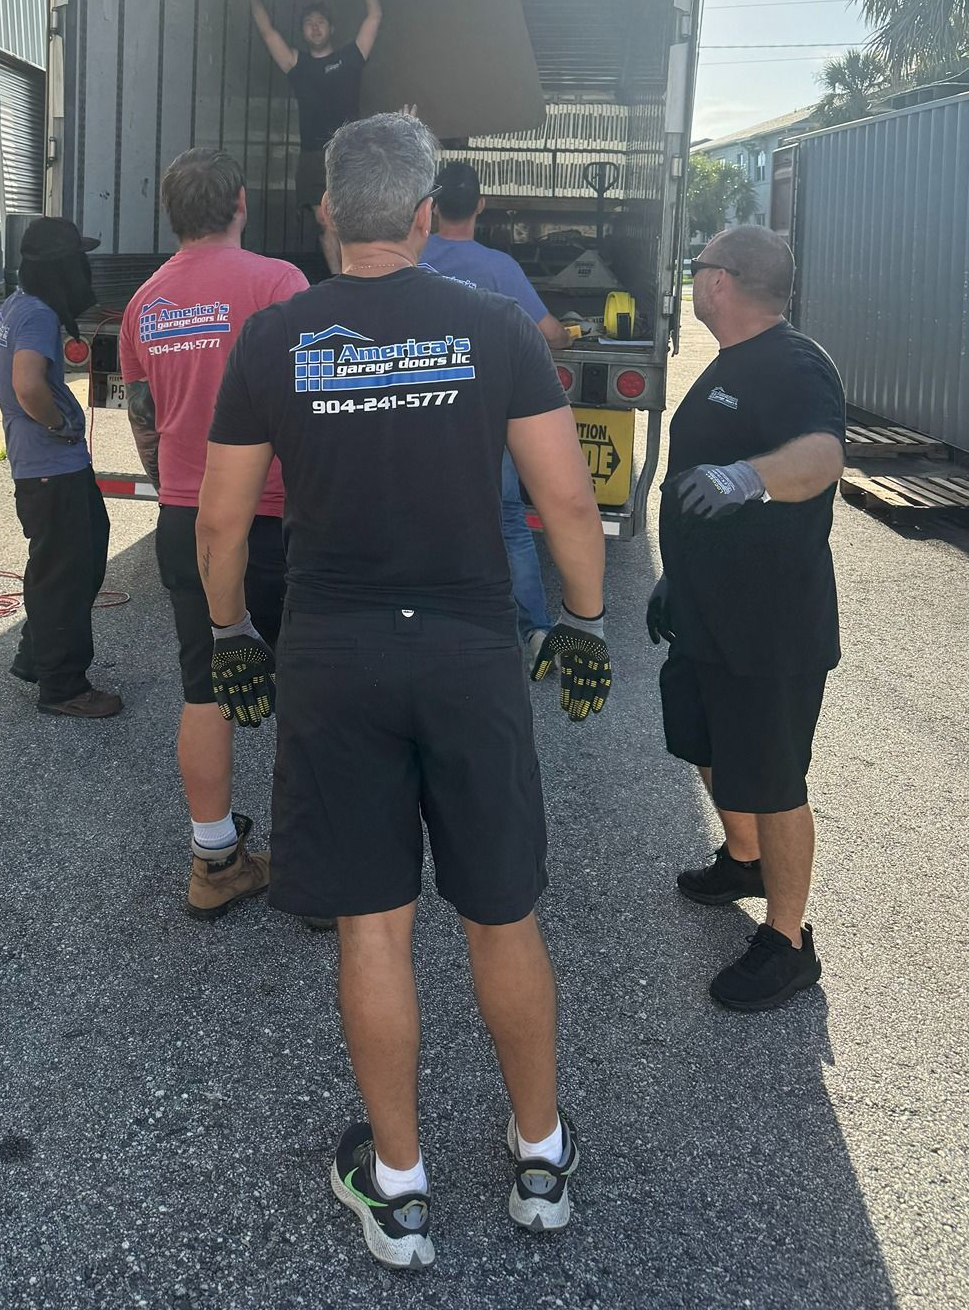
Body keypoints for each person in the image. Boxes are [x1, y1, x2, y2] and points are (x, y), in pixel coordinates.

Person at [196, 113, 610, 1272]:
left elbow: (223, 518)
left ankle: (401, 1186)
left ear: (327, 213)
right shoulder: (492, 330)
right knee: (501, 910)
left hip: (337, 654)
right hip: (470, 651)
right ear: (427, 216)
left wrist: (231, 631)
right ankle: (539, 1159)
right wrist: (581, 623)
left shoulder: (275, 338)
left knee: (374, 922)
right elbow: (568, 505)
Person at [649, 225, 845, 1013]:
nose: (694, 283)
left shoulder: (795, 363)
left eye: (698, 271)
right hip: (705, 611)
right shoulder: (733, 362)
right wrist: (677, 581)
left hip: (770, 625)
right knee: (703, 743)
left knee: (772, 779)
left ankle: (789, 942)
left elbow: (823, 456)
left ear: (723, 281)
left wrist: (747, 477)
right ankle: (744, 858)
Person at [118, 149, 308, 917]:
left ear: (171, 214)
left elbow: (142, 419)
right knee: (309, 692)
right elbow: (309, 403)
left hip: (185, 520)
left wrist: (177, 491)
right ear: (239, 202)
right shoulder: (277, 284)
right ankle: (312, 869)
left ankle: (214, 860)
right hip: (273, 519)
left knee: (205, 690)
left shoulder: (144, 304)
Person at [422, 160, 572, 660]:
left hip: (421, 411)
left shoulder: (412, 257)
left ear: (433, 205)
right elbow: (548, 333)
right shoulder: (499, 268)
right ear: (481, 207)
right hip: (488, 413)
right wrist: (570, 332)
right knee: (508, 520)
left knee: (422, 514)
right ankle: (535, 632)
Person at [0, 216, 120, 719]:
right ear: (65, 267)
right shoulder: (39, 313)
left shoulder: (16, 303)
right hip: (52, 465)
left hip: (40, 466)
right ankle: (64, 687)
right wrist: (57, 423)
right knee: (68, 572)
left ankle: (35, 655)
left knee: (65, 562)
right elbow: (24, 383)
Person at [249, 0, 382, 271]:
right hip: (312, 155)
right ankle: (339, 279)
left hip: (349, 154)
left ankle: (357, 273)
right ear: (303, 32)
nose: (315, 27)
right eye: (309, 23)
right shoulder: (297, 64)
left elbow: (374, 16)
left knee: (350, 220)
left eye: (320, 22)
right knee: (325, 221)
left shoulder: (351, 57)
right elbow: (268, 32)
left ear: (331, 28)